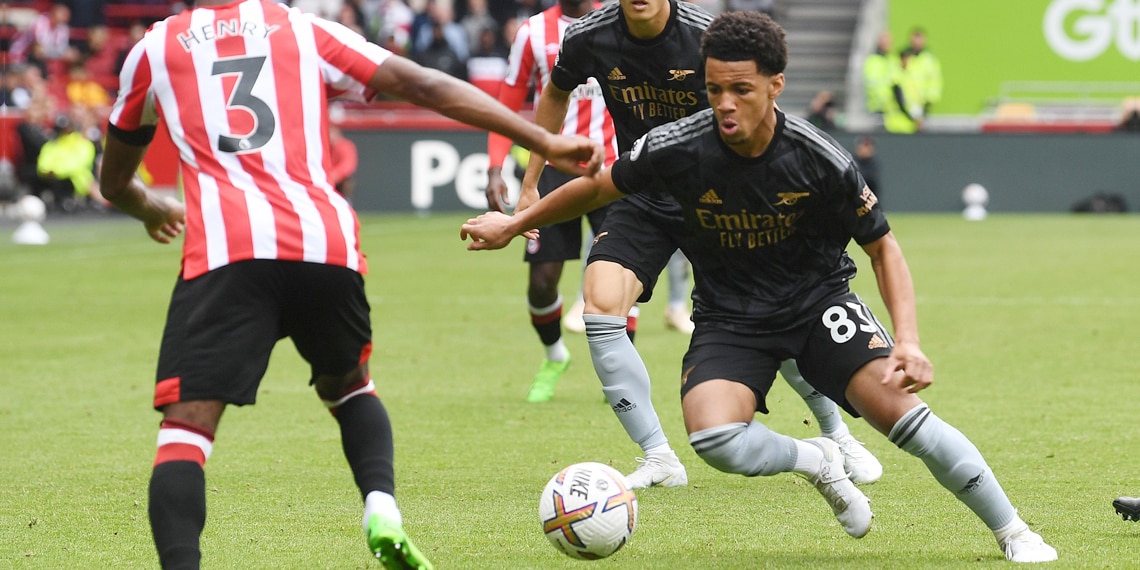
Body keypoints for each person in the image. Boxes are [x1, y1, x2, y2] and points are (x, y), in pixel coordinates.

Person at [461, 11, 1058, 563]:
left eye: (740, 90)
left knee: (905, 420)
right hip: (729, 318)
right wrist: (515, 223)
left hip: (817, 304)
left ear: (775, 85)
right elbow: (597, 189)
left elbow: (883, 246)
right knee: (713, 435)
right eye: (714, 88)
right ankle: (817, 459)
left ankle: (1013, 530)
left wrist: (908, 339)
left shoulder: (819, 159)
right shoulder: (677, 147)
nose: (724, 103)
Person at [98, 1, 603, 568]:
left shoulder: (155, 50)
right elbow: (423, 83)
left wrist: (147, 207)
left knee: (187, 428)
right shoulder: (300, 28)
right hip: (324, 245)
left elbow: (114, 180)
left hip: (227, 249)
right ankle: (382, 509)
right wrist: (546, 140)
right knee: (350, 387)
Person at [515, 0, 882, 488]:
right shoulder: (588, 37)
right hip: (643, 194)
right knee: (600, 302)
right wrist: (529, 181)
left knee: (774, 308)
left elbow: (758, 114)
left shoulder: (706, 39)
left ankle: (837, 435)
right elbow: (555, 94)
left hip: (721, 196)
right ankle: (659, 458)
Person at [485, 0, 618, 403]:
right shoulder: (532, 33)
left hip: (613, 170)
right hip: (553, 171)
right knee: (542, 284)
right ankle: (555, 355)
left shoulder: (620, 22)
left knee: (616, 279)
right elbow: (506, 102)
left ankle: (617, 379)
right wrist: (495, 166)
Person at [904, 27, 942, 116]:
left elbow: (935, 81)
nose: (916, 42)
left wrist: (929, 102)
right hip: (906, 105)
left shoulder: (929, 59)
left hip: (922, 104)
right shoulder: (905, 57)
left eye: (919, 39)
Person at [862, 31, 898, 122]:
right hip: (877, 108)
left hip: (891, 109)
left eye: (888, 41)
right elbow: (873, 84)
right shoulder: (873, 60)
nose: (887, 44)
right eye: (885, 41)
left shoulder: (892, 59)